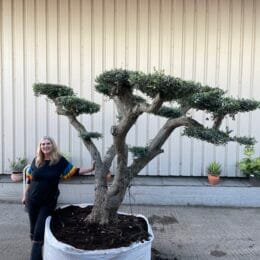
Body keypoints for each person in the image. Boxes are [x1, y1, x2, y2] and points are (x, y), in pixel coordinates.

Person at [21, 136, 95, 260]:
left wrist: (91, 169)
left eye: (48, 143)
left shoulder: (59, 161)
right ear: (40, 147)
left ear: (52, 145)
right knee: (34, 231)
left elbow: (74, 171)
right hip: (32, 201)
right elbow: (29, 179)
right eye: (42, 144)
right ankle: (38, 250)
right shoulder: (37, 161)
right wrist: (24, 195)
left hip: (48, 202)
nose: (45, 146)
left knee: (39, 233)